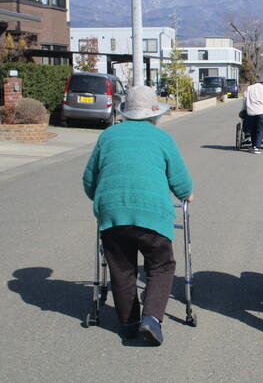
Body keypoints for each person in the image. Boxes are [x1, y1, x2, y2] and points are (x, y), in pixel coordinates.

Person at [83, 85, 193, 346]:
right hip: (152, 214)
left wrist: (104, 199)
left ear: (125, 113)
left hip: (113, 214)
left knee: (121, 268)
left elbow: (89, 180)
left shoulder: (108, 137)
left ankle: (129, 322)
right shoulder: (162, 139)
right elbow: (180, 181)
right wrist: (186, 194)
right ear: (154, 115)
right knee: (161, 265)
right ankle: (152, 319)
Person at [242, 75, 263, 154]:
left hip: (251, 111)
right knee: (260, 129)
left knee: (252, 129)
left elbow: (245, 99)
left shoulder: (249, 88)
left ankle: (253, 146)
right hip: (261, 111)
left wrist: (244, 109)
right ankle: (257, 147)